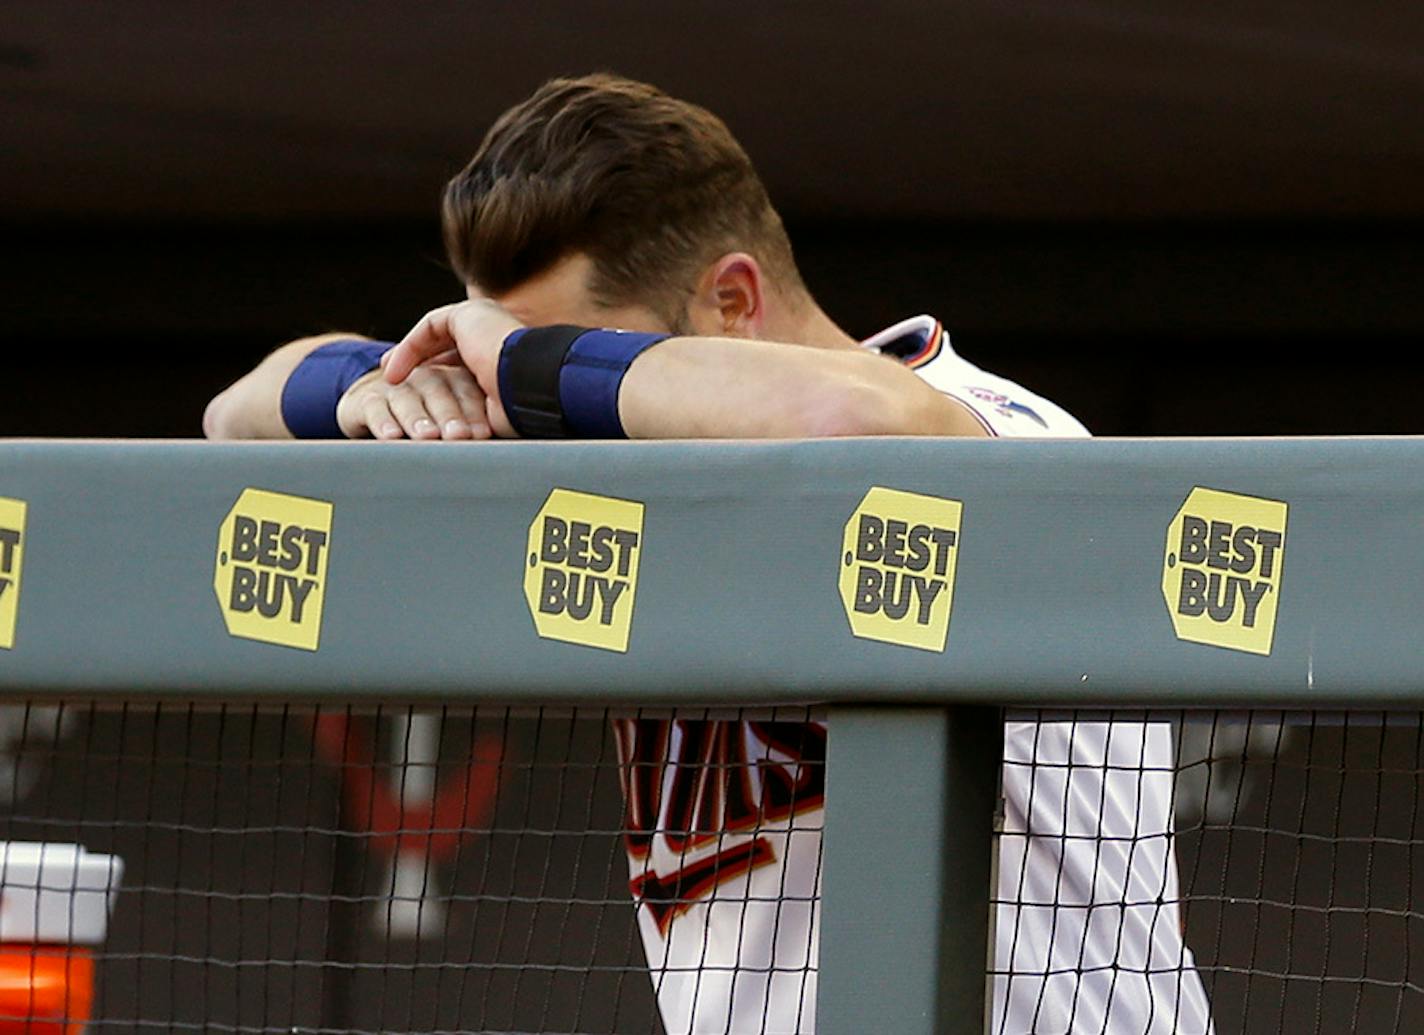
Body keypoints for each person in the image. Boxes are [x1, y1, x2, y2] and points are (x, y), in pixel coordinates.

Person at [205, 74, 1213, 1035]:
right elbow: (231, 415)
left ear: (731, 304)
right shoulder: (652, 488)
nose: (541, 421)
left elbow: (847, 417)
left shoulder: (1004, 431)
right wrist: (370, 382)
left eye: (580, 365)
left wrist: (531, 366)